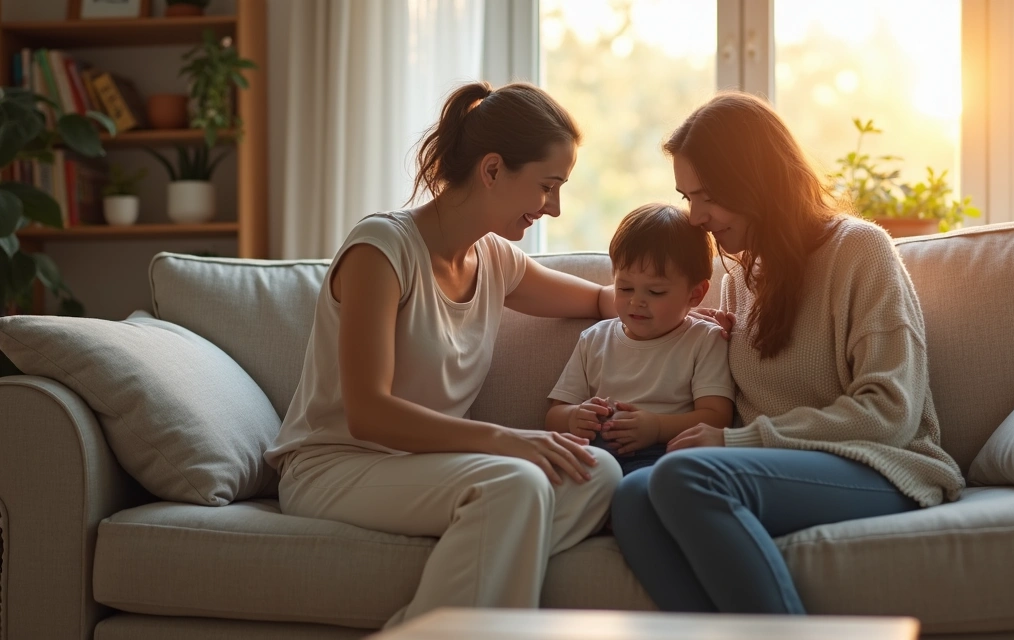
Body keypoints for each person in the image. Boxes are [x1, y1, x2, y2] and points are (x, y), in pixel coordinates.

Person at [264, 81, 624, 627]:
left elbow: (600, 300)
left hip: (428, 471)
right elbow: (368, 413)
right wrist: (507, 440)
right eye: (547, 186)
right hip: (336, 465)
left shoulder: (494, 260)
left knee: (595, 471)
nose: (553, 207)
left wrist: (684, 310)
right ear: (493, 169)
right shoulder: (381, 250)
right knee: (517, 481)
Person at [610, 92, 967, 614]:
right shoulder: (741, 279)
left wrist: (738, 441)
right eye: (687, 197)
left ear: (756, 181)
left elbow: (890, 412)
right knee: (632, 497)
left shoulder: (859, 251)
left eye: (707, 195)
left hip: (882, 463)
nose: (695, 217)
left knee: (685, 476)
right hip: (774, 467)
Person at [544, 203, 735, 475]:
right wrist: (575, 417)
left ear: (695, 294)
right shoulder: (594, 339)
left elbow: (717, 418)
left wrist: (656, 428)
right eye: (624, 287)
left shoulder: (704, 339)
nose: (636, 301)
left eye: (655, 291)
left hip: (664, 454)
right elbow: (553, 416)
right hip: (595, 455)